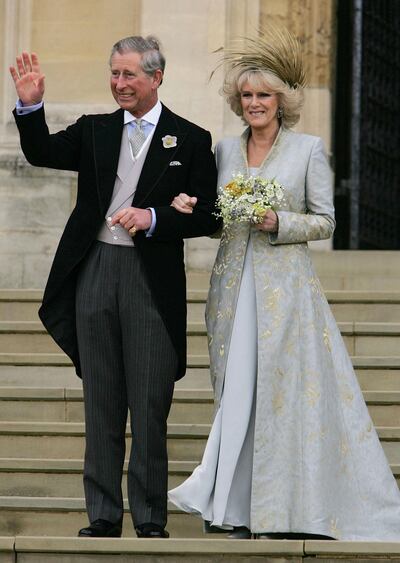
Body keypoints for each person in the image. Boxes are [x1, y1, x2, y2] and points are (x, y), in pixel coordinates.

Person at [168, 26, 400, 540]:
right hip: (232, 289)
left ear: (282, 101)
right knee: (237, 394)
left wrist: (279, 222)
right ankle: (231, 507)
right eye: (247, 95)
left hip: (286, 295)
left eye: (264, 96)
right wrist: (190, 207)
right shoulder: (224, 152)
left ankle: (278, 509)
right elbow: (216, 217)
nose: (254, 103)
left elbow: (326, 220)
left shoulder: (308, 149)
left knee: (278, 397)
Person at [10, 36, 220, 539]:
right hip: (95, 269)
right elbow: (41, 152)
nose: (119, 83)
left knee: (149, 404)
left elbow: (210, 216)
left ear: (156, 77)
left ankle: (149, 517)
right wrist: (31, 106)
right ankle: (102, 514)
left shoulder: (191, 139)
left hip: (150, 280)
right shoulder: (94, 130)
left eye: (129, 75)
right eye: (114, 73)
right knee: (101, 399)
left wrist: (155, 218)